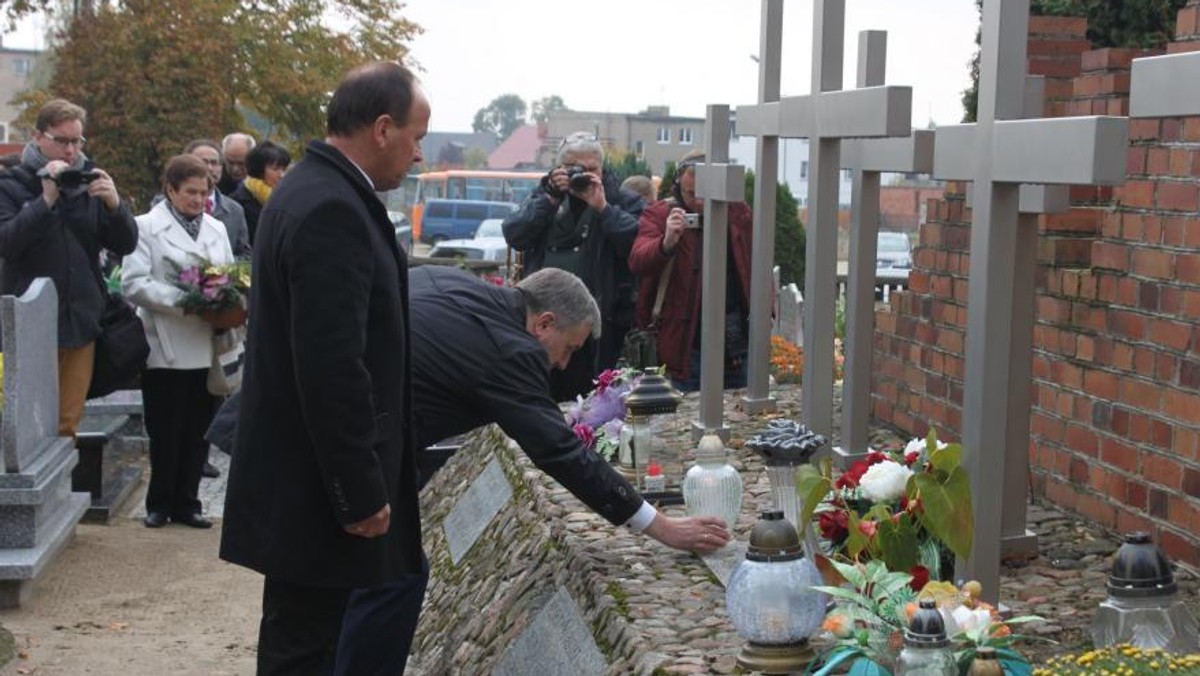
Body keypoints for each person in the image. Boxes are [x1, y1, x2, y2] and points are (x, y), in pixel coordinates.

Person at [220, 61, 430, 676]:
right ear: (384, 128)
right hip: (316, 488)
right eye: (418, 137)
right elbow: (332, 366)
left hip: (301, 477)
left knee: (301, 639)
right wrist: (359, 491)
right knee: (307, 649)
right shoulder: (332, 208)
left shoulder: (312, 188)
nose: (419, 155)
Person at [409, 264, 729, 545]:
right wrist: (662, 527)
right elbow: (560, 451)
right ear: (544, 324)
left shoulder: (445, 280)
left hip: (378, 428)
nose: (563, 364)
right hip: (374, 451)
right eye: (570, 348)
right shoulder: (512, 353)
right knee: (398, 582)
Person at [0, 98, 137, 439]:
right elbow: (7, 242)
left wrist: (115, 205)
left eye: (77, 141)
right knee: (25, 427)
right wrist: (45, 200)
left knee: (67, 425)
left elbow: (126, 244)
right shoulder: (11, 184)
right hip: (29, 323)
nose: (71, 150)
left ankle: (61, 492)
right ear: (38, 137)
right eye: (62, 141)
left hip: (80, 320)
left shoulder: (89, 183)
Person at [120, 155, 238, 529]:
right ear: (170, 190)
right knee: (166, 429)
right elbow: (133, 283)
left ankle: (189, 501)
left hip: (207, 343)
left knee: (198, 428)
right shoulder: (145, 227)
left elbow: (230, 273)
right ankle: (159, 502)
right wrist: (188, 301)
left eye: (204, 192)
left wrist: (225, 299)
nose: (198, 200)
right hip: (165, 343)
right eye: (190, 192)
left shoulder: (217, 228)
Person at [502, 132, 643, 402]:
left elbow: (637, 245)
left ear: (603, 168)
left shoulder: (621, 200)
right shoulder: (546, 195)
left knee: (594, 404)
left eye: (592, 169)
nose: (585, 176)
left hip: (601, 327)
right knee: (540, 398)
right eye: (576, 169)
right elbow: (515, 234)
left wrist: (603, 208)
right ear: (560, 169)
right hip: (544, 325)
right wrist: (549, 200)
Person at [628, 149, 754, 391]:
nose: (698, 199)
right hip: (685, 342)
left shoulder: (737, 214)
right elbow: (638, 261)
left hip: (735, 339)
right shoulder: (661, 213)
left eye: (705, 191)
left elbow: (754, 262)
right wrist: (666, 243)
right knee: (688, 413)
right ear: (679, 181)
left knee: (739, 412)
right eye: (691, 190)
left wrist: (764, 312)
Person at [184, 139, 251, 260]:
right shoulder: (170, 206)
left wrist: (220, 268)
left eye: (214, 163)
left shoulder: (235, 210)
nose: (209, 168)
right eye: (203, 162)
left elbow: (245, 256)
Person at [228, 140, 290, 245]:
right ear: (258, 169)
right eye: (275, 169)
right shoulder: (237, 202)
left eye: (283, 169)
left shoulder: (284, 199)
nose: (281, 175)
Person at [217, 132, 255, 196]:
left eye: (241, 163)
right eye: (230, 163)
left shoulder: (262, 183)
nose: (235, 169)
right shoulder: (215, 181)